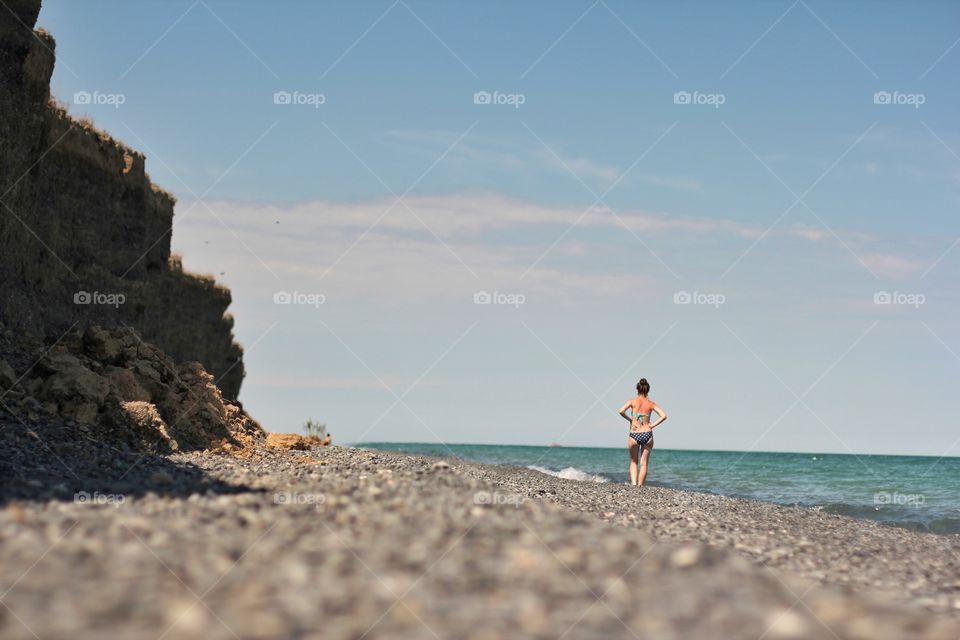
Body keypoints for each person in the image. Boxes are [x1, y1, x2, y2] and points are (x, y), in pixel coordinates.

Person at [618, 378, 667, 486]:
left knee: (633, 461)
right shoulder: (651, 403)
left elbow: (621, 411)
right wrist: (652, 425)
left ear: (637, 389)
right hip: (647, 434)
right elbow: (664, 416)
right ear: (648, 390)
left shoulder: (632, 401)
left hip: (634, 434)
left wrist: (631, 420)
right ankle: (640, 486)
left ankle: (634, 484)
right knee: (644, 464)